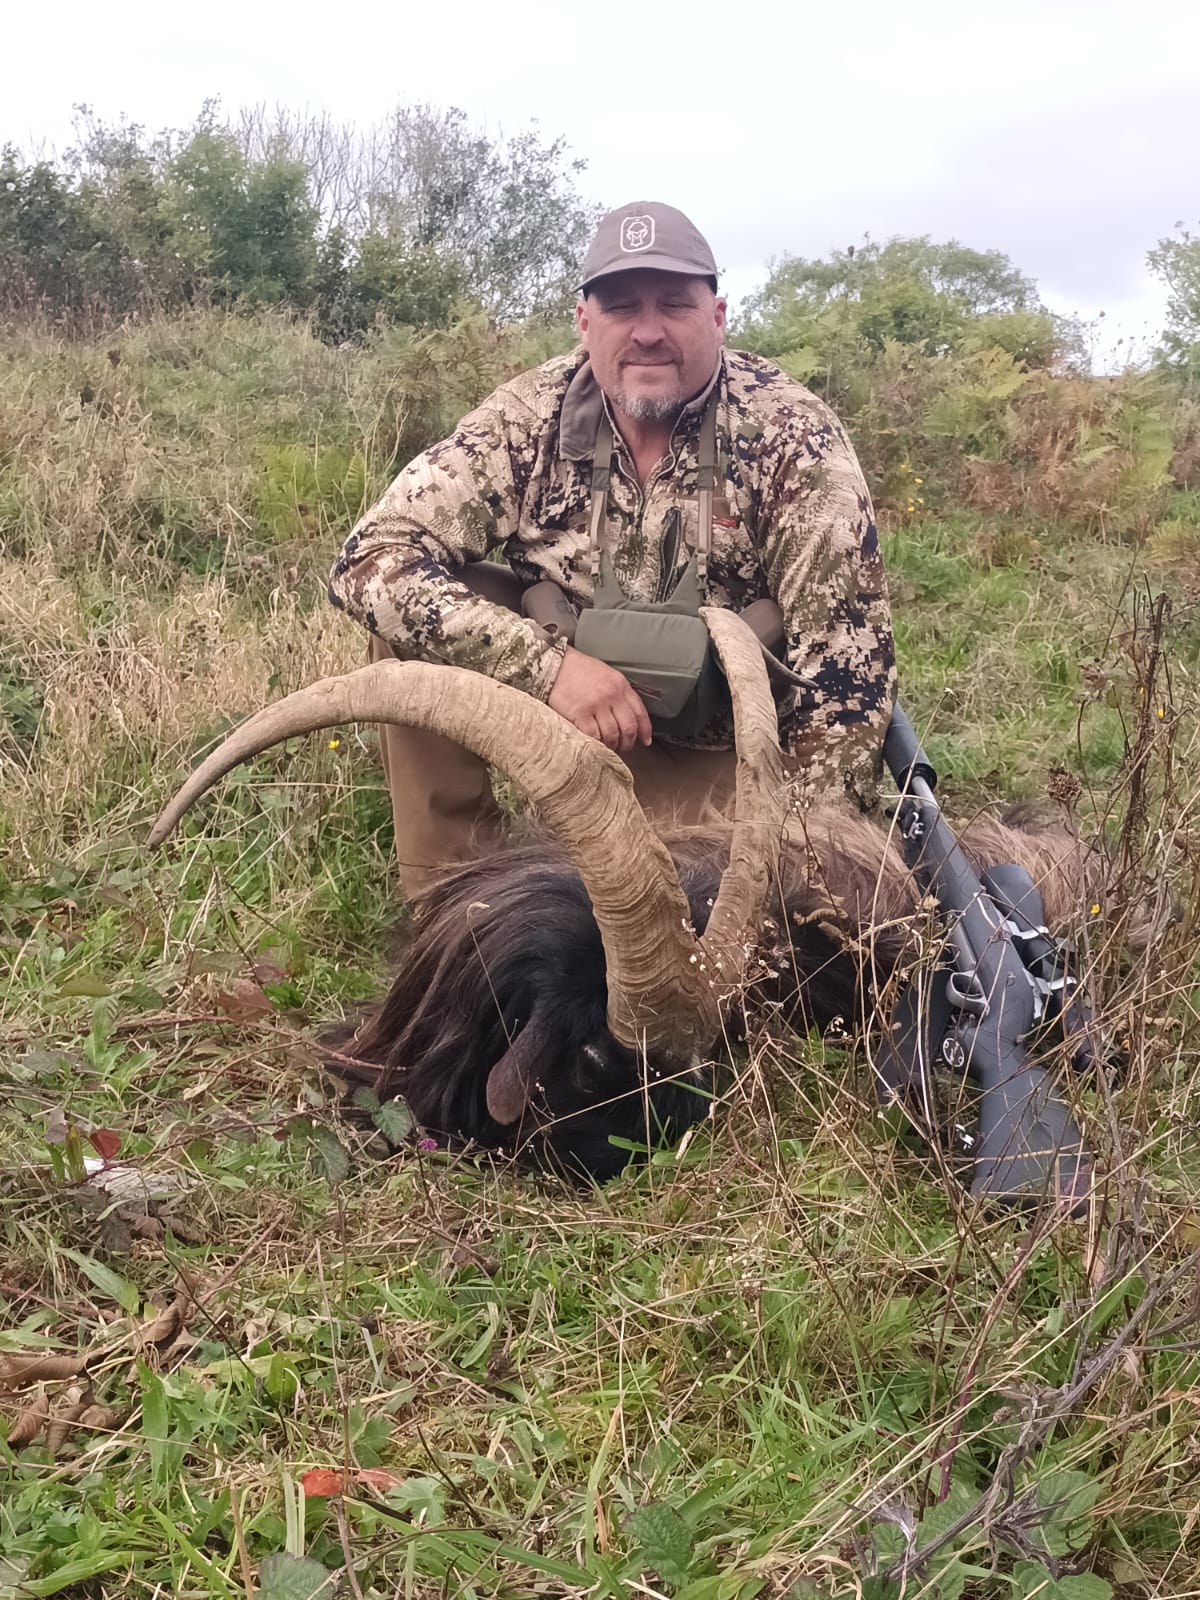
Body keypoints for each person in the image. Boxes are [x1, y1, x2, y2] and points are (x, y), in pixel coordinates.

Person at [328, 201, 896, 896]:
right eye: (622, 306)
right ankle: (453, 902)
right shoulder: (527, 418)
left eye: (674, 305)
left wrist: (799, 866)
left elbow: (848, 684)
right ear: (584, 322)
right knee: (408, 625)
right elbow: (369, 559)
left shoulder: (793, 438)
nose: (647, 332)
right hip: (564, 722)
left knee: (726, 910)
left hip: (727, 759)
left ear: (718, 317)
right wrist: (549, 670)